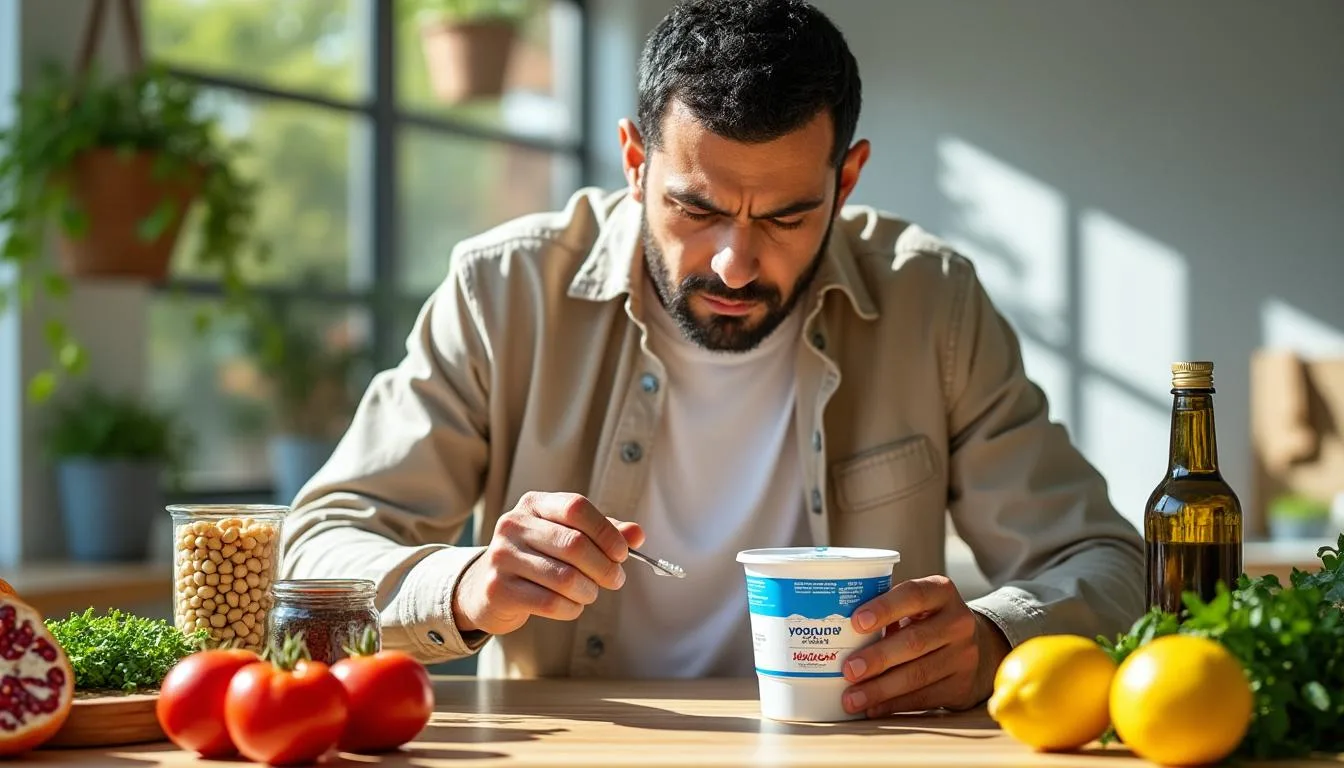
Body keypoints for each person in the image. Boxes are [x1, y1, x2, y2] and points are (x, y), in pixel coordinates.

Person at [280, 0, 1144, 718]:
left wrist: (994, 637)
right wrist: (467, 584)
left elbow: (1112, 566)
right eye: (696, 210)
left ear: (846, 182)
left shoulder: (932, 302)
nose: (734, 264)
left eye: (786, 217)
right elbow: (311, 554)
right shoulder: (503, 291)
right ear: (634, 162)